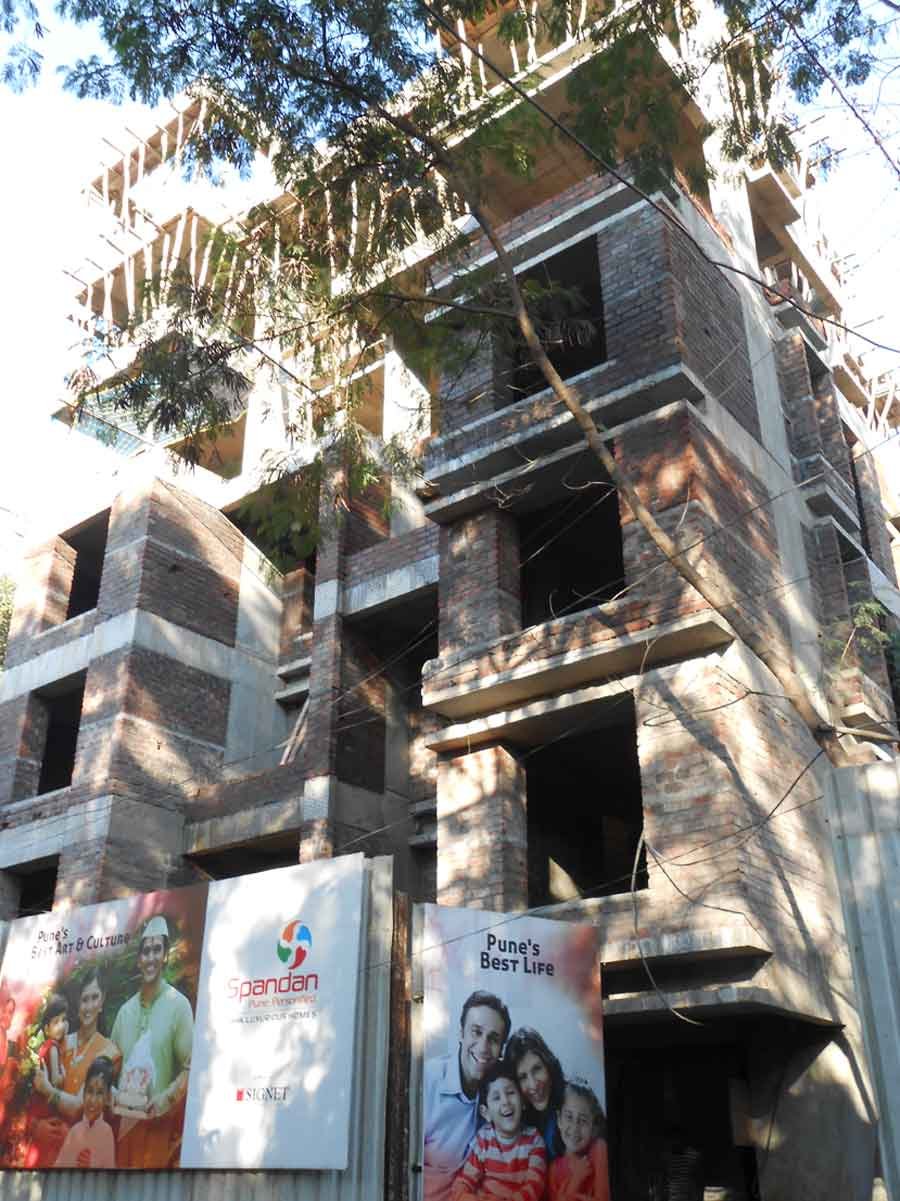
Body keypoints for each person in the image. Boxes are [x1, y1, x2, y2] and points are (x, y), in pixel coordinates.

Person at [110, 915, 194, 1168]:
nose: (151, 958)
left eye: (157, 950)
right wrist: (112, 1095)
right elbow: (107, 1070)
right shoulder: (125, 1012)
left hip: (160, 1133)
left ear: (165, 956)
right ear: (139, 959)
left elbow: (191, 1068)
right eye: (146, 951)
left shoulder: (179, 1006)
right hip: (123, 1132)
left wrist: (164, 1101)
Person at [423, 990, 511, 1201]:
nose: (483, 1047)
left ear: (501, 1049)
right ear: (461, 1033)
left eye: (493, 1039)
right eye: (476, 1032)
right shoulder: (428, 1079)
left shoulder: (500, 1093)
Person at [34, 968, 122, 1125]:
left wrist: (48, 1090)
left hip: (83, 1136)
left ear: (102, 1001)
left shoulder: (110, 1053)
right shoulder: (60, 1043)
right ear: (77, 1003)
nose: (89, 1006)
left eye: (95, 998)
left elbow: (80, 1108)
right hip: (50, 1130)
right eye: (84, 999)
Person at [449, 1062, 547, 1201]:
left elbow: (535, 1186)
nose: (505, 1102)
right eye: (496, 1097)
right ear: (486, 1113)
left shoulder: (535, 1141)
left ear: (523, 1102)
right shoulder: (483, 1140)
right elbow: (464, 1182)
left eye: (510, 1093)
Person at [504, 1027, 566, 1160]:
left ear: (548, 1065)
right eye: (522, 1077)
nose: (533, 1085)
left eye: (537, 1069)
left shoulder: (573, 1101)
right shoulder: (519, 1121)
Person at [23, 994, 69, 1168]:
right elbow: (56, 1080)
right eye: (56, 1022)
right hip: (45, 1106)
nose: (61, 1025)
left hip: (36, 1105)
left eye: (63, 1020)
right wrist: (64, 1074)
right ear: (47, 1028)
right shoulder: (54, 1047)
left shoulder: (44, 1047)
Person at [548, 1079, 610, 1201]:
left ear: (593, 1127)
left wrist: (567, 1194)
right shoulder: (554, 1170)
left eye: (583, 1120)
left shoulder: (599, 1149)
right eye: (569, 1117)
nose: (575, 1128)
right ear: (559, 1120)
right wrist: (576, 1180)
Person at [54, 1055, 116, 1169]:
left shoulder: (107, 1133)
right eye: (90, 1091)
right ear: (83, 1093)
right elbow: (59, 1165)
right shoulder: (75, 1130)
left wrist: (93, 1165)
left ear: (107, 1098)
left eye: (100, 1093)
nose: (93, 1100)